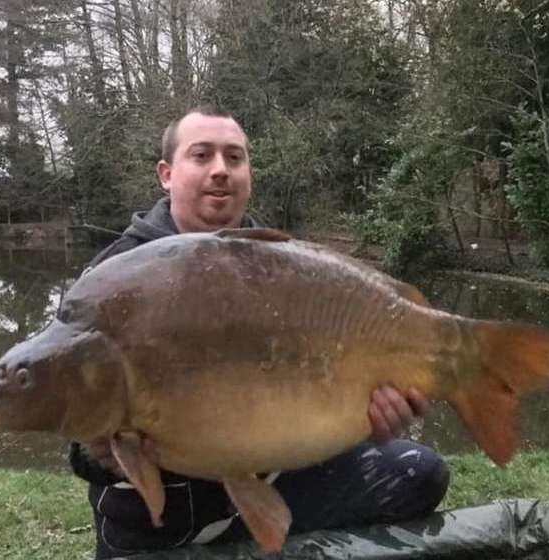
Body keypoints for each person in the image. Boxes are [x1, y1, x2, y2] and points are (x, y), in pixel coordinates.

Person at [69, 106, 450, 559]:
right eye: (201, 155)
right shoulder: (111, 280)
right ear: (166, 174)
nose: (220, 171)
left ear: (248, 173)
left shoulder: (280, 266)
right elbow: (77, 448)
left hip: (266, 483)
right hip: (156, 522)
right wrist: (104, 452)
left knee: (417, 472)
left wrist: (367, 418)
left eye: (234, 158)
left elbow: (313, 397)